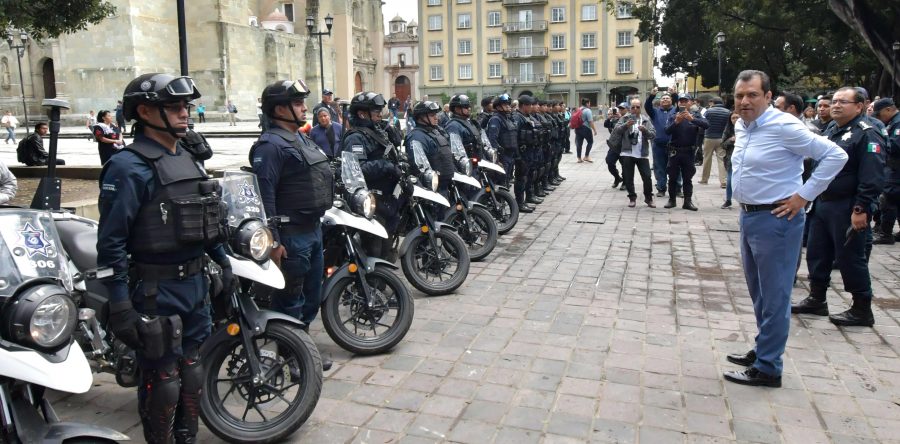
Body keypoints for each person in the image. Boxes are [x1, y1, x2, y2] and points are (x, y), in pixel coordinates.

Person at [97, 73, 232, 443]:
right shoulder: (128, 167)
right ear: (144, 111)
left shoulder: (187, 157)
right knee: (163, 380)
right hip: (155, 291)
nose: (184, 113)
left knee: (192, 373)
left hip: (194, 285)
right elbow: (110, 243)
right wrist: (121, 303)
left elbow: (206, 217)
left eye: (185, 106)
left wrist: (223, 261)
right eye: (174, 107)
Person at [724, 70, 847, 388]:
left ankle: (768, 367)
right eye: (740, 95)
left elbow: (835, 154)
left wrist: (803, 196)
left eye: (752, 94)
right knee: (760, 294)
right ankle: (764, 349)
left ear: (768, 96)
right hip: (749, 217)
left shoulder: (785, 125)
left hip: (777, 220)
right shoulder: (742, 124)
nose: (745, 101)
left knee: (776, 296)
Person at [250, 79, 335, 349]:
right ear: (278, 109)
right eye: (297, 104)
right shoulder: (270, 146)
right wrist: (274, 241)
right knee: (290, 300)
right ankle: (291, 354)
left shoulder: (300, 137)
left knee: (312, 297)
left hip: (312, 230)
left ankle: (302, 349)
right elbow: (264, 196)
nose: (303, 108)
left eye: (302, 103)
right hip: (291, 236)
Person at [791, 86, 885, 327]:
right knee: (817, 251)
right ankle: (817, 298)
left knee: (850, 256)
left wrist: (861, 208)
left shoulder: (868, 132)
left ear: (860, 105)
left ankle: (861, 308)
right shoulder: (833, 128)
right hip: (824, 202)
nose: (835, 105)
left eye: (843, 102)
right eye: (834, 101)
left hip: (848, 206)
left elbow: (872, 175)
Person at [342, 92, 403, 259]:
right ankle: (372, 283)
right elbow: (357, 169)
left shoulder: (375, 132)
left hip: (387, 200)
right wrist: (386, 166)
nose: (379, 116)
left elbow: (396, 144)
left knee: (387, 248)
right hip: (372, 202)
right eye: (376, 113)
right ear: (362, 114)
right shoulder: (355, 138)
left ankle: (382, 281)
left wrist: (390, 129)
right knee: (375, 250)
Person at [487, 94, 533, 213]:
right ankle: (497, 209)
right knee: (500, 184)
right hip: (502, 157)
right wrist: (497, 159)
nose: (508, 107)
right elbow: (492, 140)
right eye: (505, 105)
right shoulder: (495, 119)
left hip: (510, 156)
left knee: (506, 183)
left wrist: (517, 156)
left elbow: (514, 138)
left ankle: (503, 207)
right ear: (498, 107)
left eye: (508, 104)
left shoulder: (508, 118)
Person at [663, 93, 709, 211]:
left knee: (687, 178)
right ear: (678, 103)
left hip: (689, 151)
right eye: (681, 101)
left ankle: (687, 201)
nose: (683, 103)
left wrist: (692, 119)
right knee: (672, 177)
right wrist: (676, 122)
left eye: (685, 101)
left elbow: (706, 125)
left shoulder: (695, 115)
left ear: (690, 102)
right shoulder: (673, 116)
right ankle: (672, 200)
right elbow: (667, 131)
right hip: (675, 151)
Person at [608, 98, 656, 208]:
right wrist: (626, 125)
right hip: (627, 152)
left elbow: (653, 135)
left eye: (637, 107)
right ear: (630, 108)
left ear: (641, 108)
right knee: (629, 177)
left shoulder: (646, 120)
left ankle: (648, 198)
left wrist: (645, 130)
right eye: (633, 107)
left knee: (647, 177)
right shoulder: (624, 118)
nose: (635, 109)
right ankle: (632, 198)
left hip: (642, 153)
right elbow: (616, 130)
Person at [405, 101, 455, 196]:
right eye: (432, 115)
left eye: (435, 114)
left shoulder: (437, 131)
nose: (436, 117)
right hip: (432, 190)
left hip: (446, 184)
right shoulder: (416, 136)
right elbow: (420, 167)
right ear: (421, 117)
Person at [873, 98, 900, 244]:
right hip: (894, 168)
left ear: (889, 109)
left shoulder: (897, 123)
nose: (879, 117)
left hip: (896, 169)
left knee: (888, 199)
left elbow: (896, 146)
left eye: (880, 113)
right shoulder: (893, 122)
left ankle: (886, 233)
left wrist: (881, 141)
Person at [645, 87, 680, 197]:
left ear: (671, 101)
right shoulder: (655, 112)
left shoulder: (676, 111)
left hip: (674, 145)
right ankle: (661, 188)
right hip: (658, 145)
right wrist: (651, 95)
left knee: (675, 168)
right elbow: (647, 106)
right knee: (659, 167)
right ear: (659, 102)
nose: (665, 99)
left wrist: (674, 94)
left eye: (667, 98)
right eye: (663, 98)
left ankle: (677, 189)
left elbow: (680, 104)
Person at [700, 97, 731, 188]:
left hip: (709, 137)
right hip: (721, 138)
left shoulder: (708, 111)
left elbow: (703, 122)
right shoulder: (727, 112)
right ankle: (723, 181)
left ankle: (704, 179)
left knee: (707, 158)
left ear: (713, 103)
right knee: (721, 159)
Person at [444, 94, 485, 163]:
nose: (469, 108)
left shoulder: (469, 122)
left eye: (469, 106)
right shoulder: (453, 126)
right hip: (466, 166)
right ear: (457, 109)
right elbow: (455, 151)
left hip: (477, 163)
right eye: (466, 107)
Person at [720, 111, 740, 209]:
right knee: (730, 180)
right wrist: (731, 140)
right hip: (731, 159)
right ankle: (728, 200)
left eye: (737, 117)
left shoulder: (746, 129)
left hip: (744, 159)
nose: (735, 120)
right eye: (733, 118)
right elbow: (722, 145)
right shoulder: (728, 129)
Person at [575, 98, 597, 162]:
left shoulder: (578, 109)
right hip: (586, 128)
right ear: (587, 103)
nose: (589, 104)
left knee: (579, 143)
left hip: (578, 128)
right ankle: (586, 156)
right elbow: (590, 121)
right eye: (589, 103)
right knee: (590, 142)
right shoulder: (588, 110)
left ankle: (579, 158)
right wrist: (594, 130)